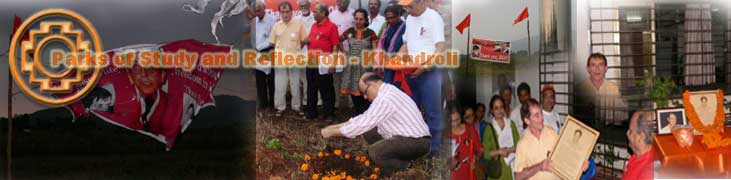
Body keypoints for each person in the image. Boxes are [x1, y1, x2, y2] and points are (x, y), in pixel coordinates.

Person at [320, 72, 430, 176]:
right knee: (369, 131)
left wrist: (330, 132)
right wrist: (333, 128)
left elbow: (359, 126)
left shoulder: (385, 98)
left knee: (375, 152)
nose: (364, 97)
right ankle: (392, 157)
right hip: (410, 138)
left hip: (418, 142)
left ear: (372, 85)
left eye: (364, 92)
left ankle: (406, 167)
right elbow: (363, 119)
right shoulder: (387, 90)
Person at [398, 0, 446, 155]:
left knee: (433, 111)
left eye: (410, 6)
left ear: (422, 2)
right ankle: (415, 144)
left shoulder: (433, 18)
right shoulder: (410, 19)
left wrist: (424, 67)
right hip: (411, 69)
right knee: (411, 109)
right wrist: (399, 56)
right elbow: (406, 43)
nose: (407, 10)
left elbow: (440, 48)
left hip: (429, 70)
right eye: (405, 7)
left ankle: (435, 149)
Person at [514, 98, 589, 180]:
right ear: (527, 121)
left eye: (541, 113)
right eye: (536, 115)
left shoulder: (551, 133)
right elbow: (518, 176)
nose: (541, 118)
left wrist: (579, 166)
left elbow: (565, 156)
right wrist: (540, 166)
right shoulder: (522, 144)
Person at [269, 1, 308, 117]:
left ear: (291, 12)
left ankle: (296, 107)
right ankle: (280, 107)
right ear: (279, 13)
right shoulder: (276, 25)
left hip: (294, 59)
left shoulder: (299, 24)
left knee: (295, 83)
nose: (285, 14)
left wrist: (295, 50)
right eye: (282, 12)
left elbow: (304, 40)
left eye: (287, 11)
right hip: (280, 59)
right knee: (280, 84)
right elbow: (272, 43)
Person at [305, 3, 341, 122]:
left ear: (323, 13)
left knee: (326, 89)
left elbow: (335, 46)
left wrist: (333, 63)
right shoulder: (314, 26)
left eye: (315, 12)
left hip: (324, 61)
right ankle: (311, 113)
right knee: (311, 88)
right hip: (311, 61)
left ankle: (329, 114)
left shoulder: (332, 26)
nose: (313, 13)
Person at [340, 9, 379, 117]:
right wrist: (344, 51)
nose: (358, 21)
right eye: (356, 19)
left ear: (365, 19)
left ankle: (366, 114)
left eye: (361, 19)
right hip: (352, 66)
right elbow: (338, 40)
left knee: (366, 89)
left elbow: (375, 50)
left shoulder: (371, 33)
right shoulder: (349, 31)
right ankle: (358, 114)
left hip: (365, 67)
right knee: (353, 88)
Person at [577, 53, 628, 126]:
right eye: (593, 65)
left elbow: (619, 117)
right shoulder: (580, 89)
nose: (597, 69)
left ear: (606, 68)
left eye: (601, 65)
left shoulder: (613, 88)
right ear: (588, 69)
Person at [483, 95, 519, 180]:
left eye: (501, 107)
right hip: (497, 170)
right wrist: (499, 152)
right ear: (492, 111)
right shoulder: (489, 129)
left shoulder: (511, 124)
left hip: (511, 167)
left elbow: (519, 146)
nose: (499, 110)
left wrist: (508, 150)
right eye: (496, 108)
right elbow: (486, 154)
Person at [377, 5, 410, 94]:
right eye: (387, 18)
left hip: (401, 66)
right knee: (388, 90)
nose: (390, 20)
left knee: (399, 91)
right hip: (388, 65)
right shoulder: (387, 29)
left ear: (399, 15)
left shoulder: (406, 27)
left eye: (392, 18)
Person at [250, 1, 276, 112]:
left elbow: (272, 40)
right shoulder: (253, 21)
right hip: (256, 53)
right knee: (259, 80)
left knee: (271, 80)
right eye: (255, 11)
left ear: (264, 8)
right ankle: (263, 103)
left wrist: (258, 48)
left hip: (268, 51)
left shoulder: (272, 20)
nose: (257, 13)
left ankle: (273, 104)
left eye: (259, 10)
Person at [330, 0, 356, 109]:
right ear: (336, 2)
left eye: (345, 1)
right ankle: (337, 102)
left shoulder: (353, 14)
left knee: (351, 76)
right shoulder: (331, 15)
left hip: (351, 50)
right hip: (336, 50)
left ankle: (352, 102)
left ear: (349, 2)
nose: (342, 3)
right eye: (340, 1)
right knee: (336, 78)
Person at [449, 105, 483, 180]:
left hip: (470, 175)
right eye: (452, 121)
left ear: (461, 117)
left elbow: (480, 149)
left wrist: (476, 158)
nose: (455, 124)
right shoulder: (445, 134)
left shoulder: (470, 130)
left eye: (457, 120)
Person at [297, 0, 318, 108]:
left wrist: (310, 39)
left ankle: (317, 102)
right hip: (301, 53)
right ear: (299, 7)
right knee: (304, 79)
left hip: (314, 53)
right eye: (301, 6)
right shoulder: (296, 20)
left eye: (305, 5)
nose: (303, 7)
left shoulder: (315, 18)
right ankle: (306, 102)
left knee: (314, 79)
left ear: (310, 6)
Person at [623, 111, 654, 180]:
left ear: (641, 137)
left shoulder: (649, 172)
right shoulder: (636, 157)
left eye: (630, 131)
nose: (627, 133)